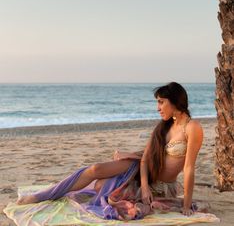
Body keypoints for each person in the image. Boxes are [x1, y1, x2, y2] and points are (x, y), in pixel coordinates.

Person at [17, 82, 204, 220]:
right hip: (139, 171)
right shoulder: (164, 127)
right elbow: (145, 159)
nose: (157, 108)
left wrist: (187, 205)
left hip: (159, 183)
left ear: (175, 101)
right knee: (95, 169)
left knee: (100, 186)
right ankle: (41, 196)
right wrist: (145, 187)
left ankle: (53, 192)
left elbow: (189, 168)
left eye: (161, 102)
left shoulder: (192, 127)